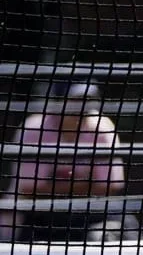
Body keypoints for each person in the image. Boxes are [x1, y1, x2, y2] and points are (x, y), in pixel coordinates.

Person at [0, 80, 131, 243]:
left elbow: (111, 186)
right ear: (59, 100)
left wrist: (56, 185)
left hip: (88, 212)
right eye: (76, 99)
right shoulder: (34, 128)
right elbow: (29, 188)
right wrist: (86, 183)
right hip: (37, 215)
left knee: (127, 227)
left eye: (88, 99)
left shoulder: (103, 128)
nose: (83, 106)